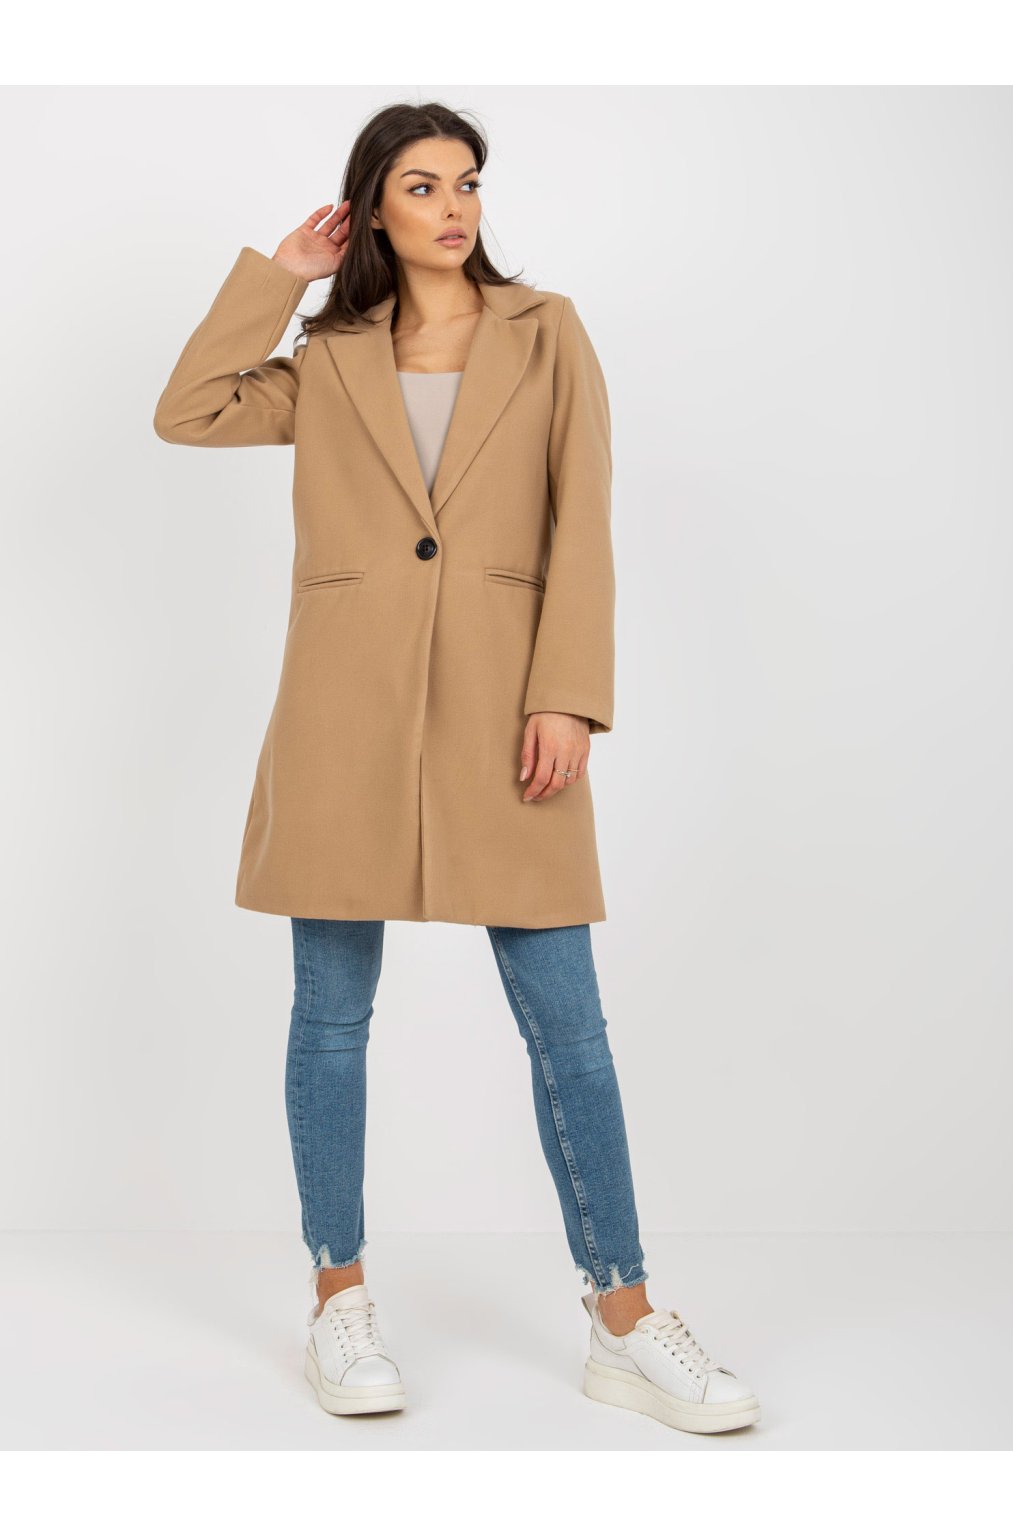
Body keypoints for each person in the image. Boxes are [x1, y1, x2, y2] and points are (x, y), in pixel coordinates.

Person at [153, 101, 760, 1435]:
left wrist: (569, 695)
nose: (452, 206)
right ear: (371, 205)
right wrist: (279, 278)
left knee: (568, 1025)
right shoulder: (329, 356)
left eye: (468, 183)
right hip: (345, 715)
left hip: (507, 711)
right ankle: (339, 1301)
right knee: (330, 1018)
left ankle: (624, 1317)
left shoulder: (548, 333)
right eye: (421, 185)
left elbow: (584, 515)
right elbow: (186, 411)